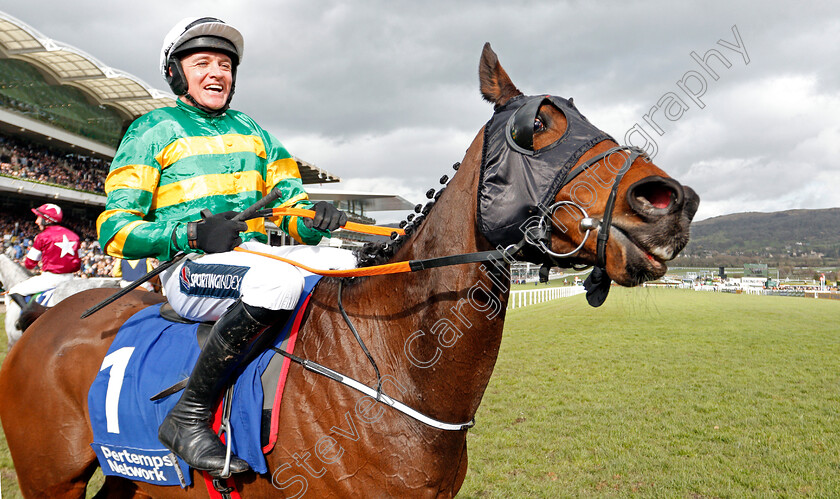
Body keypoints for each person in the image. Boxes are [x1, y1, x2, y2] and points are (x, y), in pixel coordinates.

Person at [96, 17, 356, 477]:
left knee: (345, 259)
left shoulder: (254, 131)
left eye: (225, 65)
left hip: (254, 258)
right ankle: (188, 417)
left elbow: (290, 212)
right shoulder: (151, 130)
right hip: (190, 269)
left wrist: (317, 221)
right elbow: (114, 228)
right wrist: (191, 235)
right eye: (203, 63)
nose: (217, 73)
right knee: (276, 284)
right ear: (177, 73)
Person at [5, 203, 81, 344]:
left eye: (38, 218)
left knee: (14, 290)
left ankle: (26, 318)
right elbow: (78, 264)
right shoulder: (74, 236)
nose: (36, 221)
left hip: (51, 278)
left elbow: (29, 264)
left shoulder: (43, 236)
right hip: (71, 279)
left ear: (46, 219)